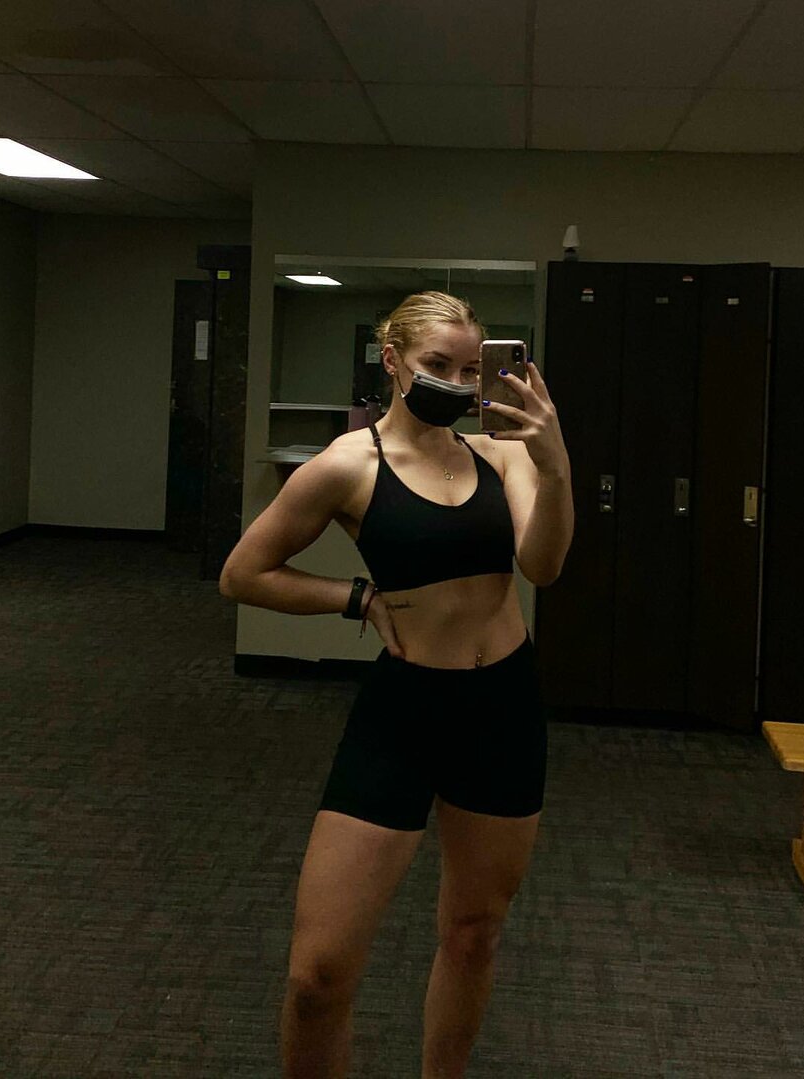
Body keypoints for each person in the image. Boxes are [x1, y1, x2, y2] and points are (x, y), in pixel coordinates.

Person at [219, 290, 573, 1078]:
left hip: (502, 709)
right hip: (405, 709)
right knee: (317, 976)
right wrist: (354, 597)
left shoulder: (503, 454)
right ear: (392, 360)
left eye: (471, 369)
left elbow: (543, 564)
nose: (458, 381)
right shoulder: (349, 465)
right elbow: (243, 573)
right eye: (437, 364)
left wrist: (555, 466)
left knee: (474, 933)